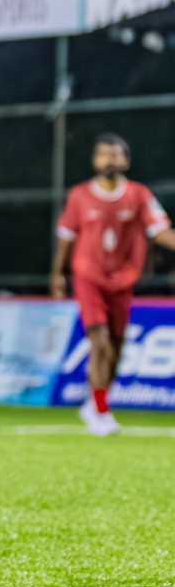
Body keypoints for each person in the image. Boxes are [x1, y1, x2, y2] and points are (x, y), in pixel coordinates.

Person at [51, 133, 175, 436]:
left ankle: (94, 402)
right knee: (100, 341)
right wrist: (57, 273)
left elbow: (161, 232)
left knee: (117, 349)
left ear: (126, 160)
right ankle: (101, 413)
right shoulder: (79, 195)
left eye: (116, 154)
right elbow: (66, 239)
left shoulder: (139, 194)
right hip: (88, 277)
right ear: (95, 160)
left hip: (122, 281)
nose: (110, 159)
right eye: (104, 154)